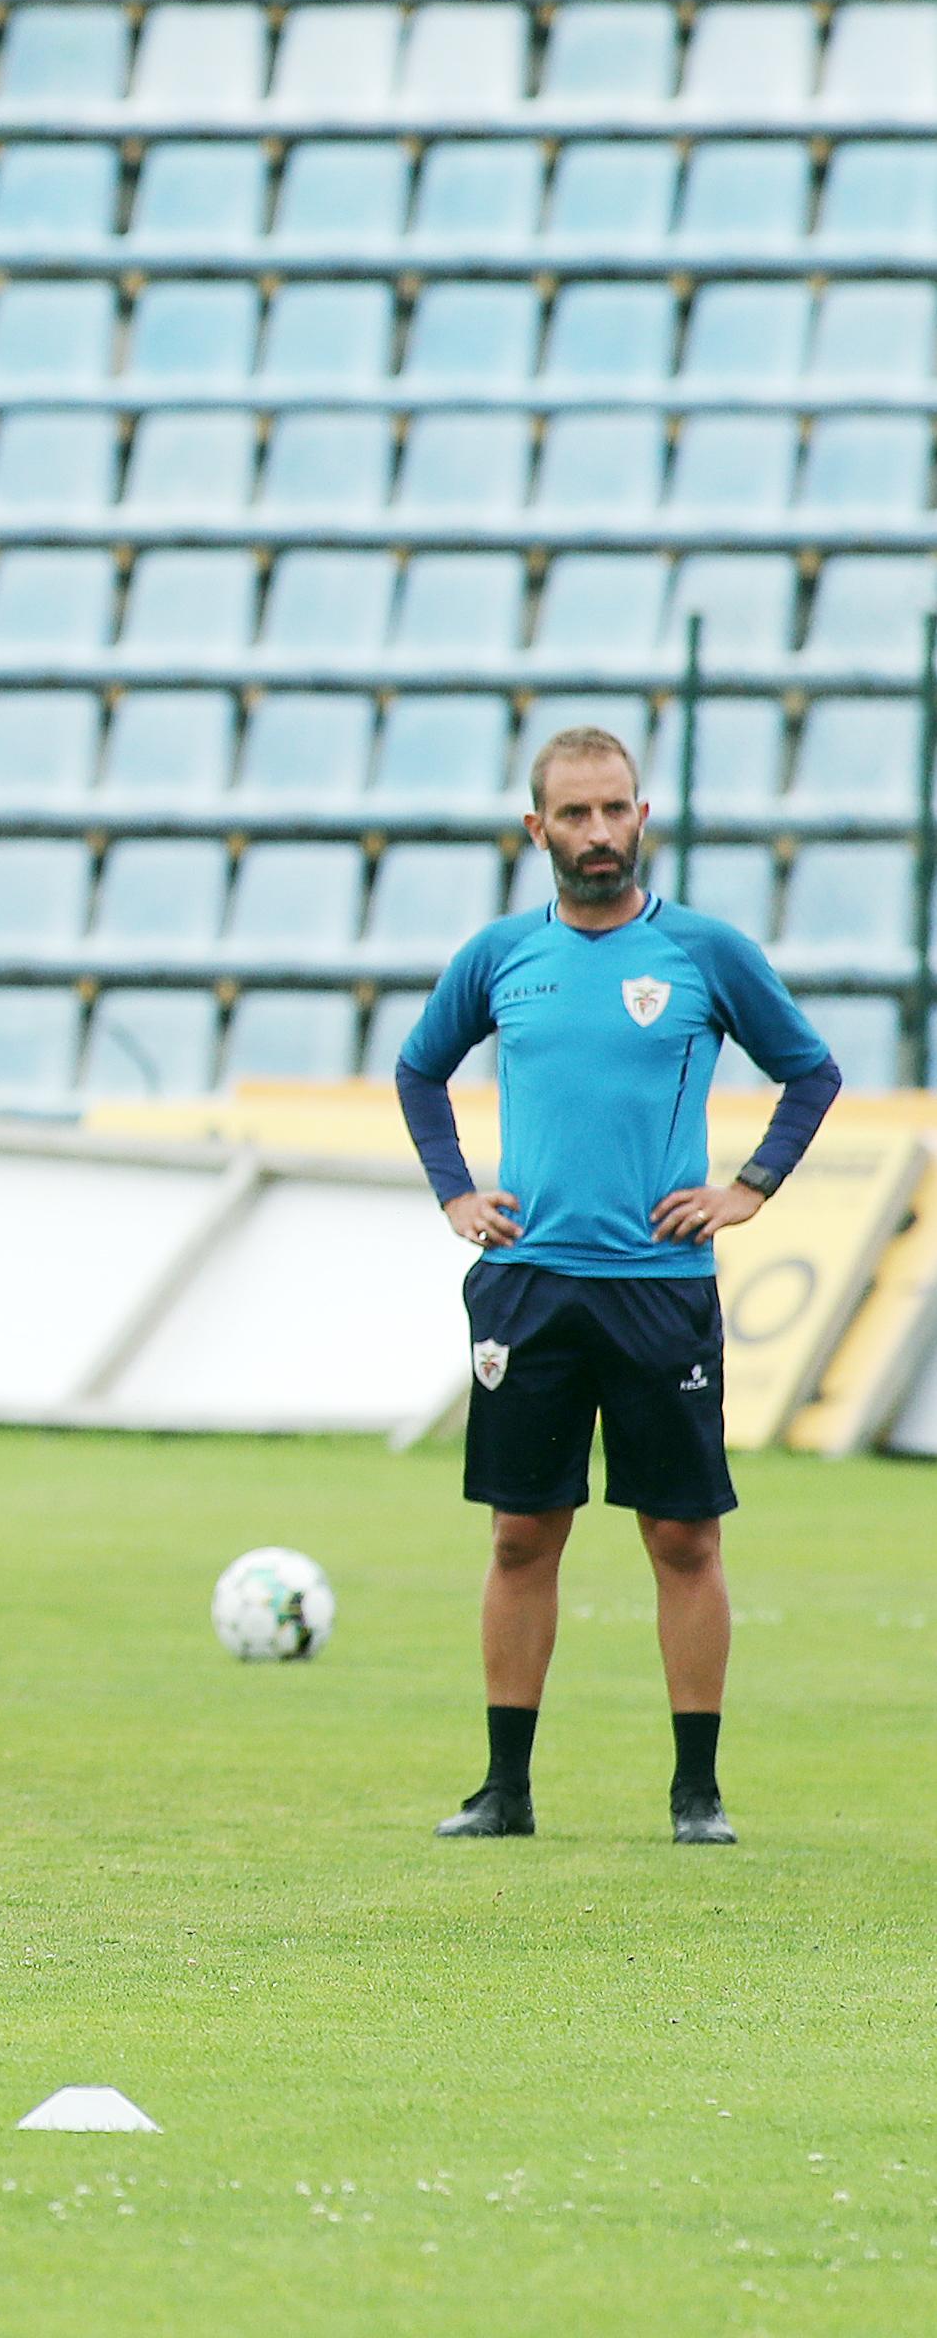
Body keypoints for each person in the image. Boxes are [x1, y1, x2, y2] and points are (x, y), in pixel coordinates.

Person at [400, 724, 837, 1848]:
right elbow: (418, 1067)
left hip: (659, 1288)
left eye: (617, 811)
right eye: (577, 814)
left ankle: (697, 1793)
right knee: (519, 1537)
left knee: (683, 1538)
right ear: (536, 829)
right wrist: (458, 1194)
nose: (600, 834)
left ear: (642, 819)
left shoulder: (703, 952)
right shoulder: (501, 954)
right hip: (528, 1285)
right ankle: (506, 1790)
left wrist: (748, 1189)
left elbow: (810, 1069)